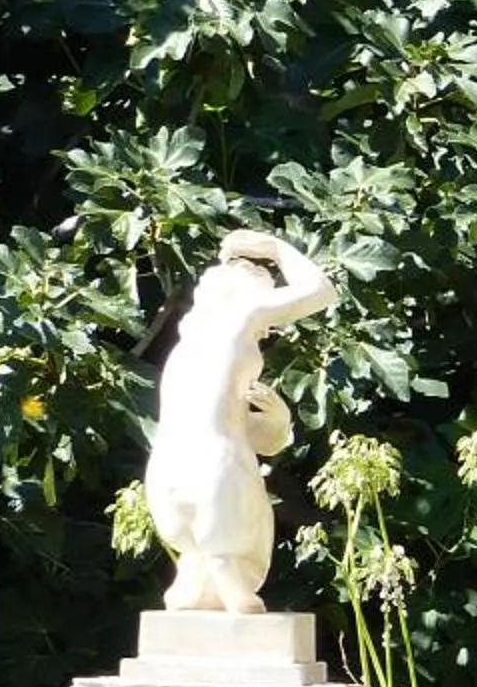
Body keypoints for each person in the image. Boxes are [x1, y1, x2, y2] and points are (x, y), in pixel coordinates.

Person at [143, 230, 335, 613]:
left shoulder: (188, 352)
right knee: (229, 564)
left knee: (197, 574)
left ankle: (195, 585)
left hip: (167, 477)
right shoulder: (237, 321)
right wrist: (274, 249)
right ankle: (231, 588)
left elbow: (247, 434)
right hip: (217, 476)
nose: (271, 324)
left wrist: (279, 421)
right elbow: (320, 291)